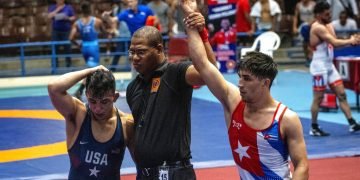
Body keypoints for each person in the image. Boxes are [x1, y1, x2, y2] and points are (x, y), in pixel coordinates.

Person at [181, 0, 309, 179]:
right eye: (240, 77)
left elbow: (302, 164)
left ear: (265, 82)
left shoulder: (286, 119)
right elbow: (203, 65)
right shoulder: (232, 102)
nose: (240, 83)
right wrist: (191, 20)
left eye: (247, 79)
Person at [125, 18, 216, 179]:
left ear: (159, 49)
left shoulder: (175, 73)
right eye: (132, 52)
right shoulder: (133, 87)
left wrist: (201, 33)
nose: (135, 57)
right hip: (144, 173)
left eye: (141, 52)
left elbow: (210, 73)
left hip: (175, 172)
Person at [48, 65, 134, 179]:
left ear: (115, 96)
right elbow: (53, 87)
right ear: (87, 94)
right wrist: (91, 70)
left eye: (104, 102)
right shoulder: (78, 114)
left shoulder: (126, 124)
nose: (97, 108)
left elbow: (142, 166)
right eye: (92, 101)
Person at [309, 0, 360, 136]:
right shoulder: (317, 27)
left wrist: (351, 41)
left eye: (330, 13)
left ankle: (352, 123)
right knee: (318, 99)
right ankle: (314, 127)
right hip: (319, 67)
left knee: (342, 94)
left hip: (329, 66)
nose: (330, 16)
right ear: (319, 15)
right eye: (327, 14)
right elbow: (334, 42)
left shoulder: (329, 25)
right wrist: (351, 40)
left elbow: (336, 42)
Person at [69, 1, 110, 100]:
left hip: (84, 48)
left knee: (93, 70)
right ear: (90, 9)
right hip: (93, 47)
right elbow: (105, 33)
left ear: (81, 11)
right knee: (93, 71)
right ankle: (80, 90)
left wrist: (78, 45)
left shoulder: (77, 23)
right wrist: (109, 38)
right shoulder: (97, 21)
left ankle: (91, 89)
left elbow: (71, 38)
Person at [103, 0, 157, 73]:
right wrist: (106, 17)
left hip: (147, 39)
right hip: (135, 41)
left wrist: (152, 28)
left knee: (149, 59)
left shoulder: (145, 9)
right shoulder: (126, 13)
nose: (129, 4)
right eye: (128, 2)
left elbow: (155, 19)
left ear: (136, 2)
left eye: (131, 2)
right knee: (136, 61)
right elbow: (113, 20)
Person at [47, 0, 75, 68]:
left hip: (66, 31)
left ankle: (68, 64)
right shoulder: (52, 7)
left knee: (67, 48)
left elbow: (73, 17)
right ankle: (55, 65)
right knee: (55, 48)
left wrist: (67, 18)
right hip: (56, 31)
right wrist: (57, 9)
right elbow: (49, 16)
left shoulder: (69, 7)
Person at [293, 0, 316, 67]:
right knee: (304, 44)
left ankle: (312, 58)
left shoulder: (313, 4)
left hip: (312, 25)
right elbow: (295, 17)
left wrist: (310, 23)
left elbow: (317, 16)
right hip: (303, 26)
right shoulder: (298, 5)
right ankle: (307, 59)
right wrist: (294, 27)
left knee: (310, 43)